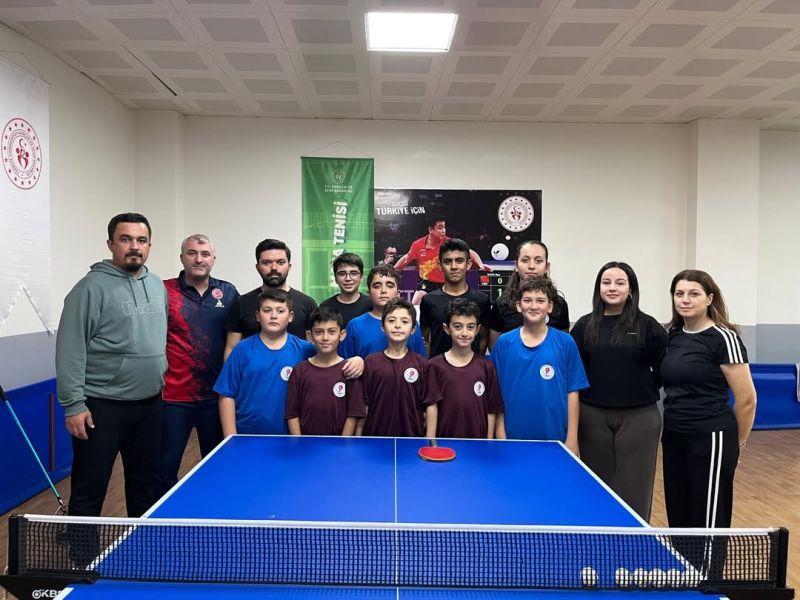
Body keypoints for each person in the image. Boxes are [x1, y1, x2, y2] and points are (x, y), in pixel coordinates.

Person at [56, 213, 167, 518]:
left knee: (145, 485)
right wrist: (73, 405)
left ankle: (142, 544)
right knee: (90, 489)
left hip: (149, 403)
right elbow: (70, 348)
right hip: (101, 406)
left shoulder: (156, 285)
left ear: (149, 245)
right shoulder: (89, 288)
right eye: (125, 239)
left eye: (141, 240)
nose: (134, 246)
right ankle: (81, 549)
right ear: (110, 244)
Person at [660, 270, 756, 532]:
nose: (685, 300)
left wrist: (737, 443)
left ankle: (709, 562)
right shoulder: (674, 336)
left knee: (708, 517)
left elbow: (747, 400)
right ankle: (683, 560)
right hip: (674, 435)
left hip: (711, 437)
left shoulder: (724, 338)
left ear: (709, 298)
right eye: (679, 294)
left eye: (694, 294)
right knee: (679, 511)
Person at [569, 262, 666, 521]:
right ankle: (598, 538)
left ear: (631, 289)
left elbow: (663, 367)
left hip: (640, 417)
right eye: (606, 282)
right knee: (597, 486)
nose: (612, 288)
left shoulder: (648, 326)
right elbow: (575, 370)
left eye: (620, 283)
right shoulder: (584, 325)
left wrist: (642, 387)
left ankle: (636, 539)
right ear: (598, 288)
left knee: (636, 488)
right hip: (592, 416)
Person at [215, 289, 363, 435]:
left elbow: (333, 362)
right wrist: (231, 438)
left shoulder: (306, 349)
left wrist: (358, 361)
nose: (273, 316)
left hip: (292, 436)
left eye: (280, 311)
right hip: (247, 435)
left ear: (291, 316)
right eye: (267, 310)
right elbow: (226, 394)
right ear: (258, 316)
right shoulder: (242, 349)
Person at [157, 234, 238, 497]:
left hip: (215, 397)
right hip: (173, 398)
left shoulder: (227, 292)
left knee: (217, 466)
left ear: (213, 259)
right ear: (182, 257)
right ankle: (163, 518)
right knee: (164, 468)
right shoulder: (163, 290)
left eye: (205, 254)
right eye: (192, 253)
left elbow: (237, 340)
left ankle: (214, 512)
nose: (199, 259)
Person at [490, 277, 587, 455]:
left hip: (556, 438)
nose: (534, 306)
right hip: (512, 437)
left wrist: (572, 439)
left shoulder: (566, 342)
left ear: (550, 306)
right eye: (527, 300)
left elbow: (573, 392)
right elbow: (496, 393)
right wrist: (500, 431)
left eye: (540, 301)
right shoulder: (504, 343)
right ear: (518, 306)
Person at [424, 298, 504, 439]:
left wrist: (488, 442)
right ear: (446, 329)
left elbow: (491, 410)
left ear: (477, 329)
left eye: (470, 327)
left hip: (478, 445)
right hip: (445, 443)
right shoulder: (434, 366)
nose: (465, 333)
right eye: (458, 326)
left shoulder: (486, 367)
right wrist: (431, 442)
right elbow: (432, 406)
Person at [225, 239, 317, 356]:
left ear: (289, 266)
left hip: (297, 368)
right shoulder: (241, 303)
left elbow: (314, 349)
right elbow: (232, 348)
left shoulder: (307, 303)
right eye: (266, 262)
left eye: (280, 262)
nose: (274, 268)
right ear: (258, 267)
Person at [285, 307, 366, 436]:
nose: (325, 337)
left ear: (342, 335)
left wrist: (343, 444)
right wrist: (299, 442)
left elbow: (352, 414)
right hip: (305, 444)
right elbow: (292, 413)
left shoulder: (349, 371)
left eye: (332, 332)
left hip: (338, 445)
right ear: (310, 336)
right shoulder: (299, 370)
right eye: (319, 332)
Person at [360, 298, 434, 437]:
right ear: (382, 327)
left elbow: (430, 405)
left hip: (412, 438)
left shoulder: (422, 364)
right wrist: (359, 438)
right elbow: (364, 405)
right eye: (391, 321)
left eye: (404, 322)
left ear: (413, 329)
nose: (398, 326)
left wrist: (430, 441)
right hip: (375, 438)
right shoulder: (371, 362)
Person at [488, 240, 569, 350]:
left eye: (538, 261)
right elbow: (495, 348)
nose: (531, 266)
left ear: (546, 266)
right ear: (516, 265)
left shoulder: (559, 304)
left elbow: (564, 348)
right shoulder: (502, 304)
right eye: (525, 260)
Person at [394, 215, 491, 304]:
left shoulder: (449, 243)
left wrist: (480, 264)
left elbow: (469, 252)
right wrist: (393, 270)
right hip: (426, 283)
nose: (444, 230)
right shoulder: (418, 245)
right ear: (430, 230)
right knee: (416, 303)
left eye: (444, 227)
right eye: (440, 228)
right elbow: (406, 259)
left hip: (446, 283)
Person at [420, 238, 490, 357]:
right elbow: (425, 339)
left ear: (468, 264)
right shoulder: (429, 300)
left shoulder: (482, 300)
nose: (454, 266)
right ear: (440, 265)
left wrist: (475, 363)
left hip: (472, 367)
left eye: (459, 261)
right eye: (447, 261)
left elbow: (483, 339)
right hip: (437, 367)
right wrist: (433, 364)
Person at [339, 265, 426, 359]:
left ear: (398, 293)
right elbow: (343, 363)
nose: (383, 291)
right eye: (377, 286)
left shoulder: (410, 323)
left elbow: (421, 362)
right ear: (369, 293)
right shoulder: (355, 326)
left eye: (390, 286)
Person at [319, 252, 372, 327]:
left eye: (353, 273)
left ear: (362, 277)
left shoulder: (371, 304)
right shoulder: (326, 306)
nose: (348, 278)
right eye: (342, 274)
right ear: (335, 278)